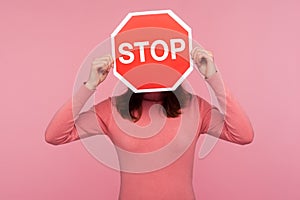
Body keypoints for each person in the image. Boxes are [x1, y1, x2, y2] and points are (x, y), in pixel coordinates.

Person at [45, 47, 254, 200]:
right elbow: (55, 135)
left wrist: (213, 77)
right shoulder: (113, 109)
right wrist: (90, 85)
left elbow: (243, 134)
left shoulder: (195, 106)